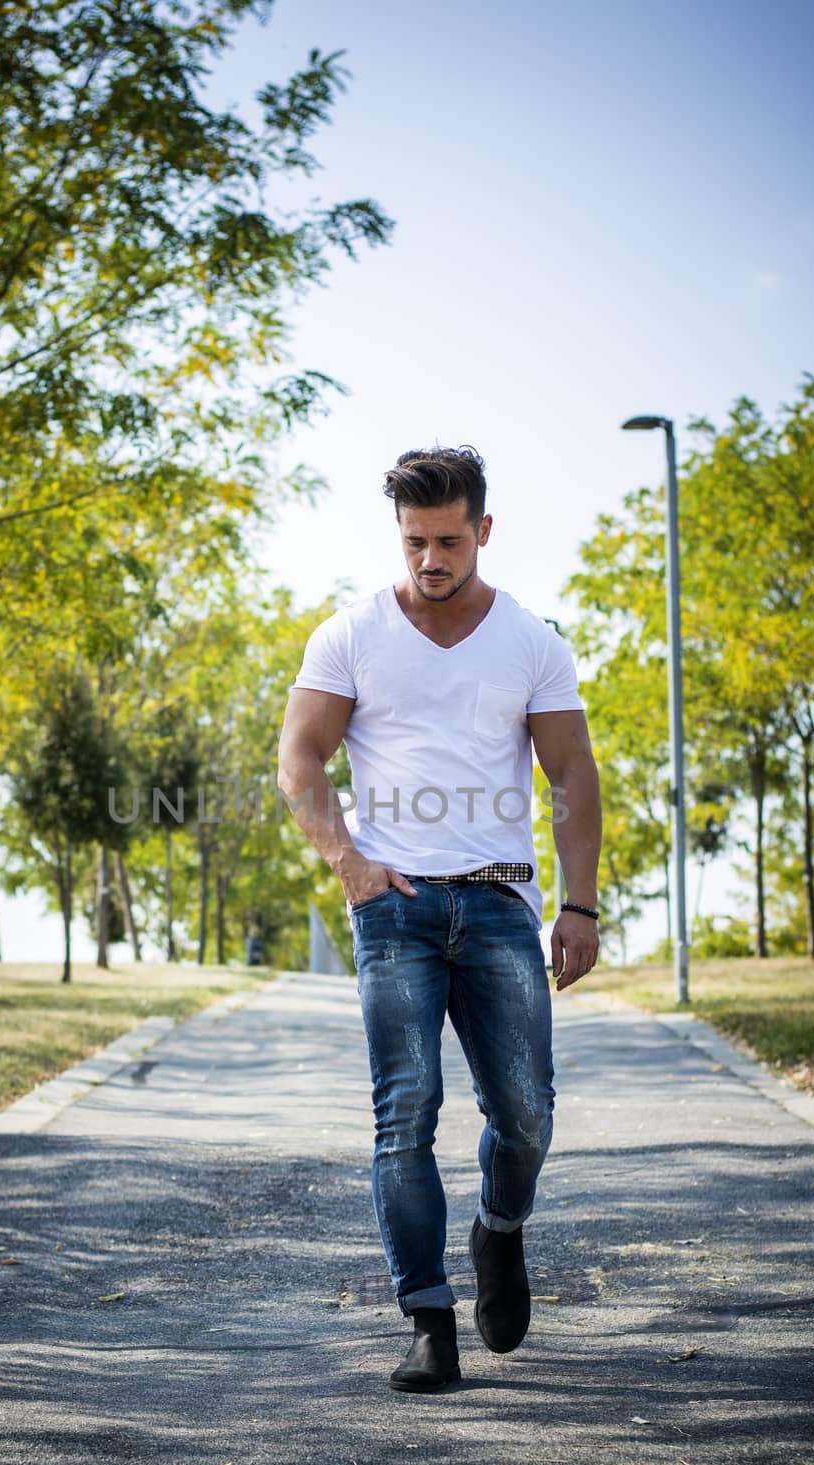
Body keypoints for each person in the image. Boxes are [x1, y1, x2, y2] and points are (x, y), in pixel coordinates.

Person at [276, 444, 602, 1392]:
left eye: (449, 540)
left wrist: (578, 904)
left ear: (483, 532)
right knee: (403, 1119)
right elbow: (300, 761)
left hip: (501, 901)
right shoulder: (350, 634)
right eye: (415, 540)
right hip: (397, 909)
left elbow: (572, 776)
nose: (430, 558)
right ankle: (427, 1319)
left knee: (527, 1115)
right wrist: (348, 860)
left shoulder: (531, 640)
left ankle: (498, 1232)